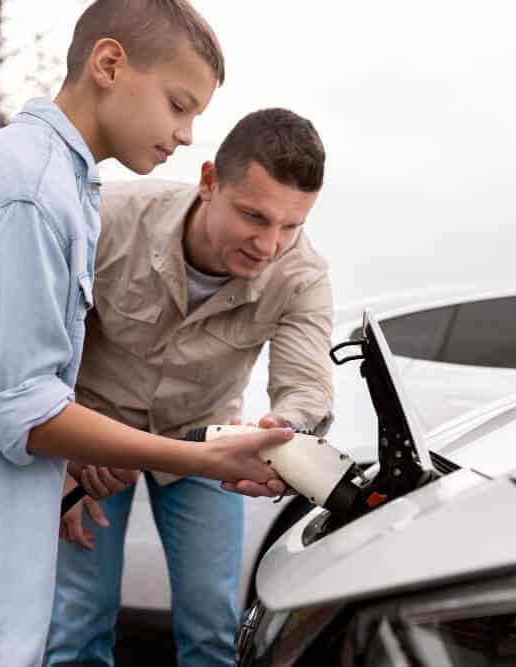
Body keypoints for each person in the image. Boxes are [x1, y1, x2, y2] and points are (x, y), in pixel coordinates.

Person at [0, 2, 293, 666]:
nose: (186, 135)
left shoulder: (55, 183)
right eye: (178, 104)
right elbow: (26, 410)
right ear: (108, 64)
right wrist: (203, 459)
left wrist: (65, 468)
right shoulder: (28, 191)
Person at [45, 108, 334, 667]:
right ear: (208, 183)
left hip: (206, 447)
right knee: (77, 621)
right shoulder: (107, 218)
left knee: (213, 625)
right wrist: (61, 462)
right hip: (94, 443)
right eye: (254, 216)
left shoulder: (303, 275)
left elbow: (304, 387)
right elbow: (41, 349)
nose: (269, 244)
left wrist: (284, 433)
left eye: (291, 225)